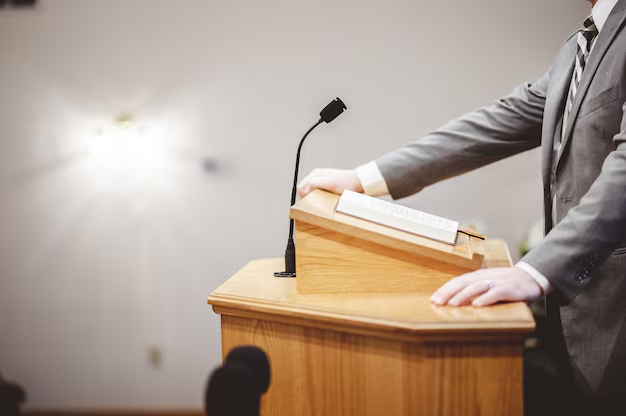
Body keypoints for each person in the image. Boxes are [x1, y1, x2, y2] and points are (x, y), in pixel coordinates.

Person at [298, 0, 626, 414]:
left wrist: (537, 269)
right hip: (575, 328)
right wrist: (366, 178)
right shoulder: (577, 48)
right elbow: (497, 123)